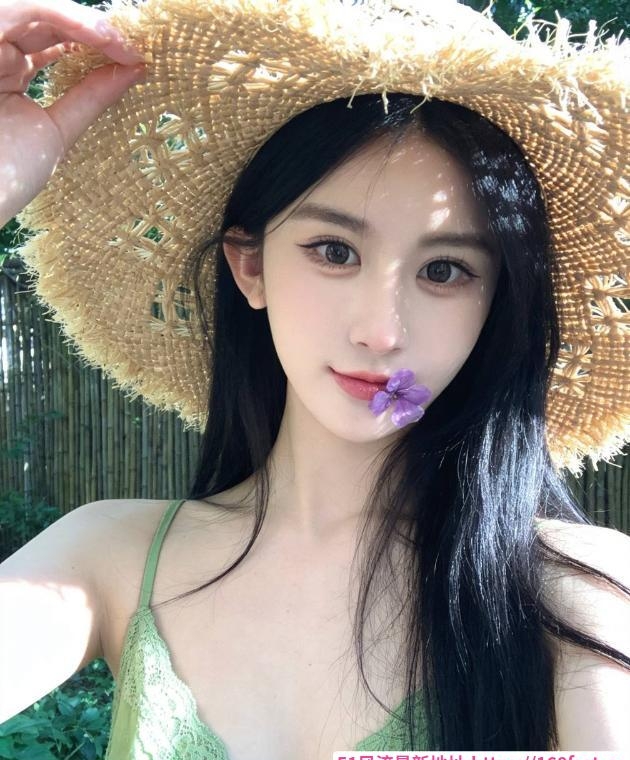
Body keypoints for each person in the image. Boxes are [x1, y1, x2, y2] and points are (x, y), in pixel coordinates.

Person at [1, 0, 629, 755]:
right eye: (335, 251)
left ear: (495, 301)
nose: (382, 331)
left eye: (444, 270)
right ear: (251, 265)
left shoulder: (577, 589)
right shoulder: (110, 557)